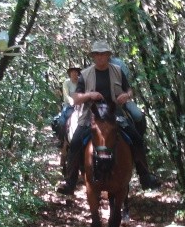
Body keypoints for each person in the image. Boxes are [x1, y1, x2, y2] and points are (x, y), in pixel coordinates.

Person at [57, 40, 161, 195]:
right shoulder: (85, 75)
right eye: (97, 54)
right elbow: (77, 98)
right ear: (93, 56)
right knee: (76, 143)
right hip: (91, 115)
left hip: (115, 114)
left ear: (108, 55)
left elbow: (129, 90)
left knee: (137, 139)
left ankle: (145, 176)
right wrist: (90, 95)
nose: (100, 57)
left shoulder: (118, 71)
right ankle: (70, 182)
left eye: (103, 54)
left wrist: (126, 95)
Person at [53, 66, 80, 146]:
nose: (75, 74)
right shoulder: (66, 82)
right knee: (61, 122)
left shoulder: (81, 82)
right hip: (69, 105)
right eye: (73, 72)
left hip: (81, 105)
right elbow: (66, 96)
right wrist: (72, 101)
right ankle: (62, 140)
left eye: (76, 72)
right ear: (70, 74)